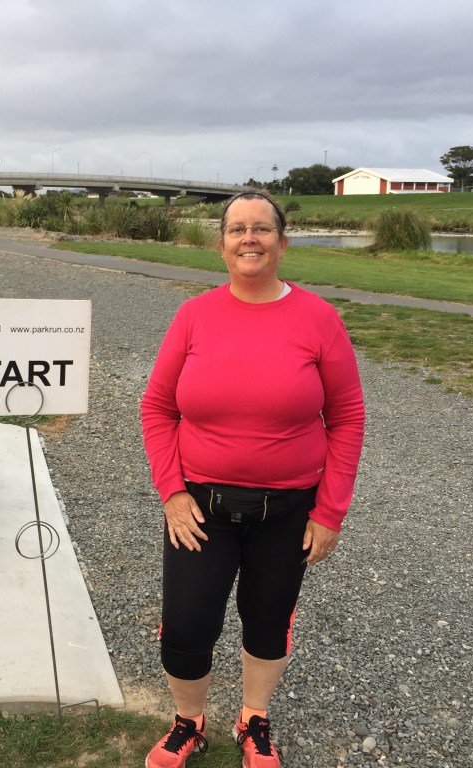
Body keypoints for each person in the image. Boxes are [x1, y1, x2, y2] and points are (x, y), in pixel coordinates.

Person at [140, 189, 366, 768]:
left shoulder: (318, 318)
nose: (249, 238)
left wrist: (330, 512)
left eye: (261, 228)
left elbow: (347, 417)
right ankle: (188, 722)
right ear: (221, 245)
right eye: (237, 228)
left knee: (268, 622)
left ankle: (253, 718)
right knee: (187, 625)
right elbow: (157, 407)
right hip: (201, 508)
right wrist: (171, 492)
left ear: (282, 242)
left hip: (287, 511)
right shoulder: (194, 315)